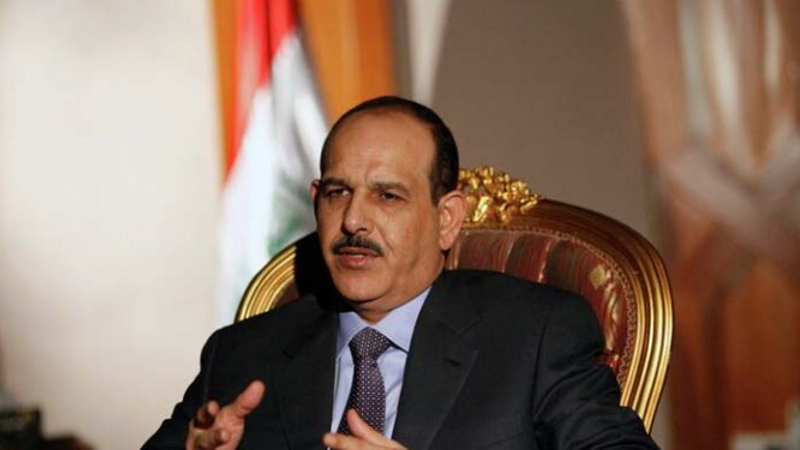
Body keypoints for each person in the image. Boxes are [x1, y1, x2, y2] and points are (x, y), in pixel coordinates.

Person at [143, 96, 658, 450]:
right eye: (338, 193)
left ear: (447, 219)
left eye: (387, 196)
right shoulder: (241, 354)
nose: (353, 220)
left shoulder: (534, 335)